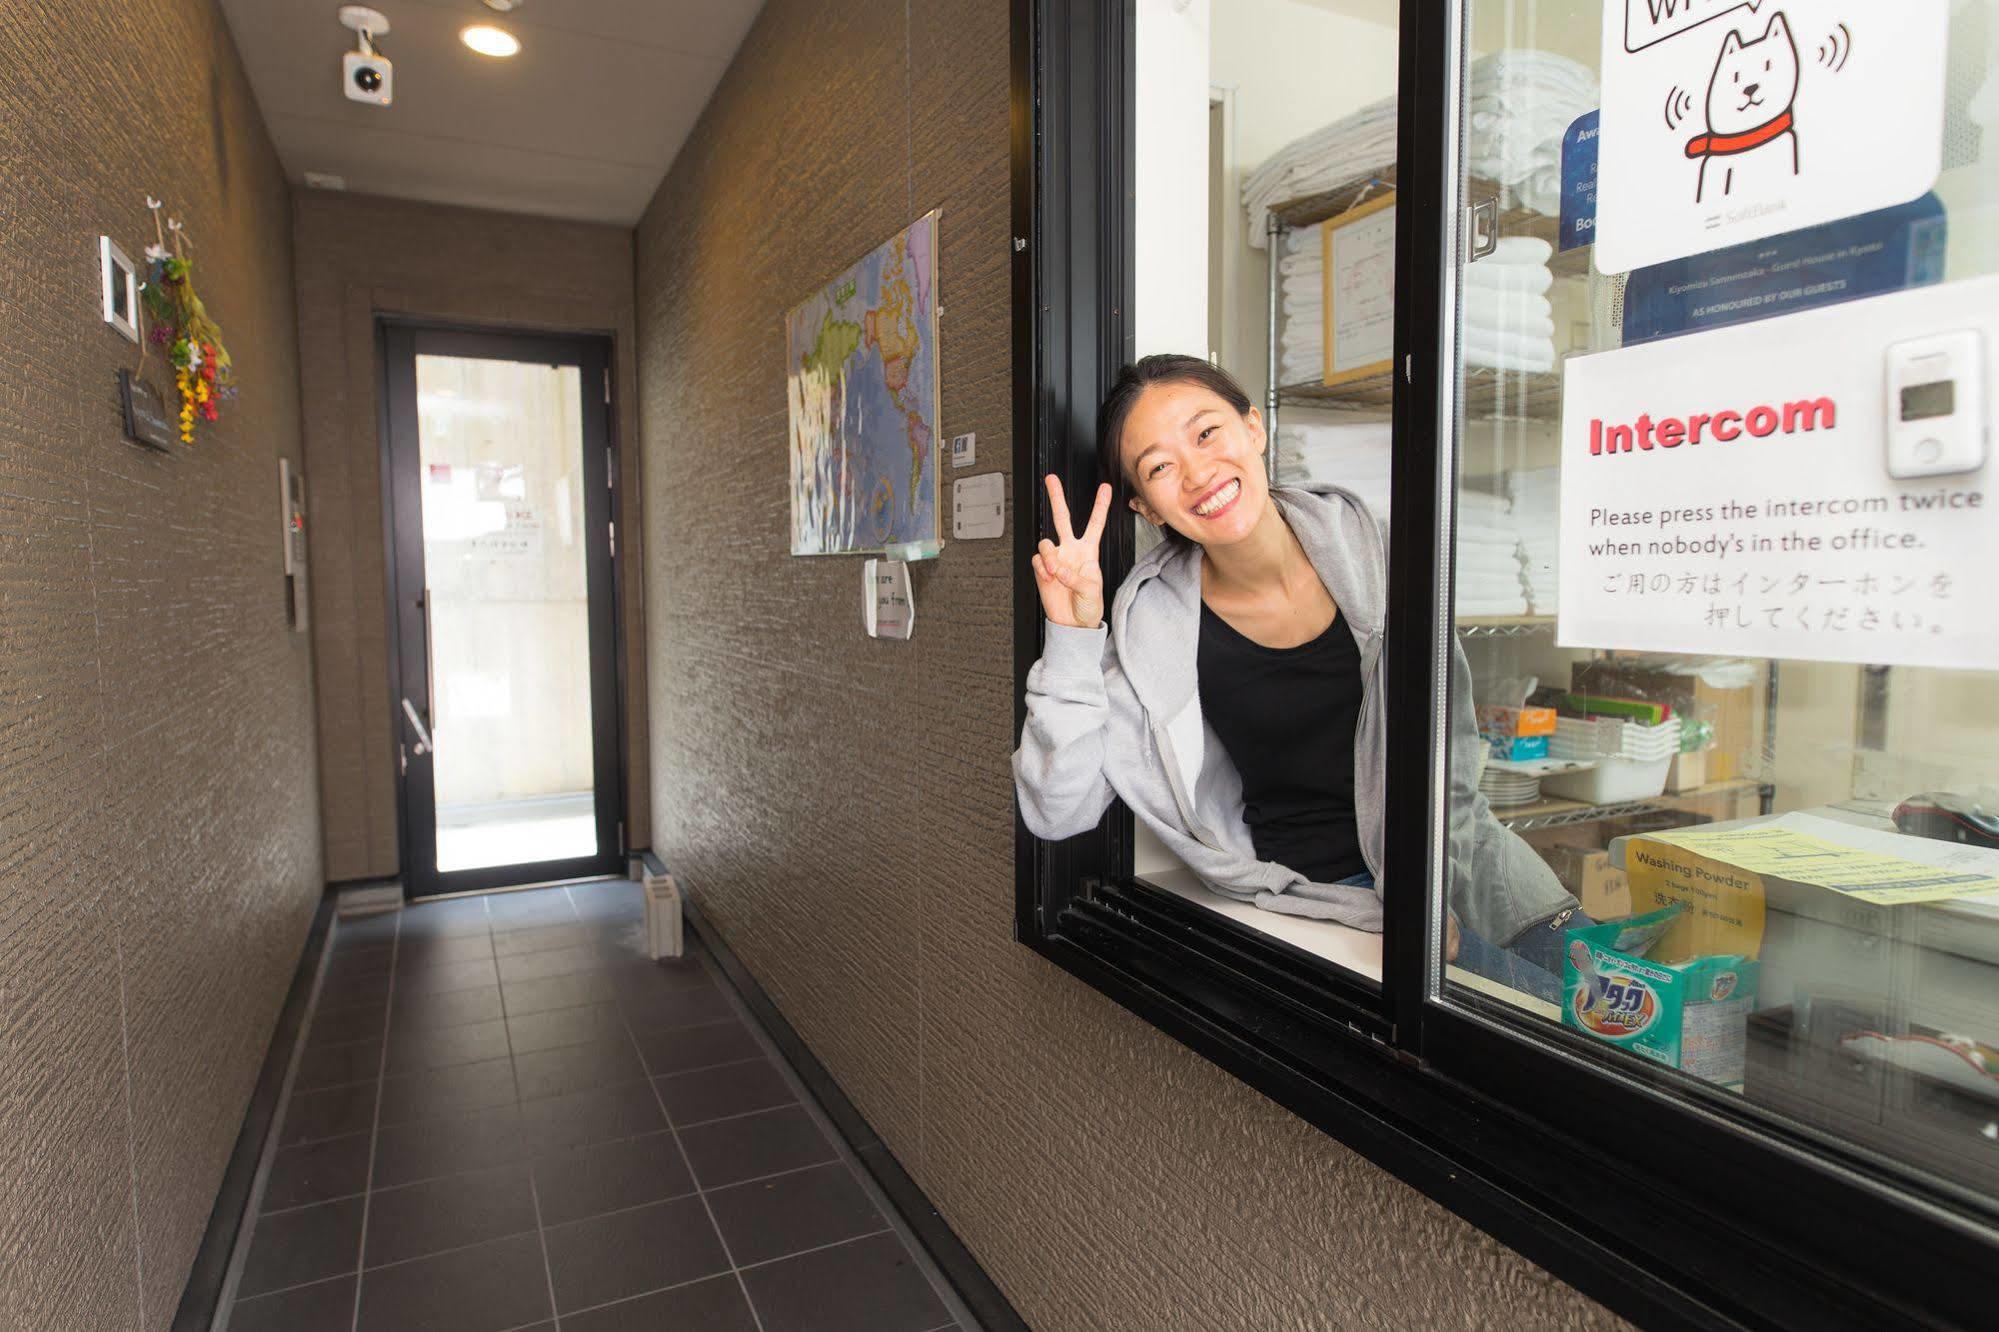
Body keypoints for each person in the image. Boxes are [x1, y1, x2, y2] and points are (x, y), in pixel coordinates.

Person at [1012, 354, 1585, 999]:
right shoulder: (1154, 637)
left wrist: (1428, 888)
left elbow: (1450, 745)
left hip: (1465, 859)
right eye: (1160, 467)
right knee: (1576, 1041)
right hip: (1335, 904)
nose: (1199, 473)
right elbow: (1055, 812)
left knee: (1640, 1021)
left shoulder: (1381, 553)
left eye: (1207, 433)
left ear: (1253, 428)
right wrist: (1074, 636)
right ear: (1146, 508)